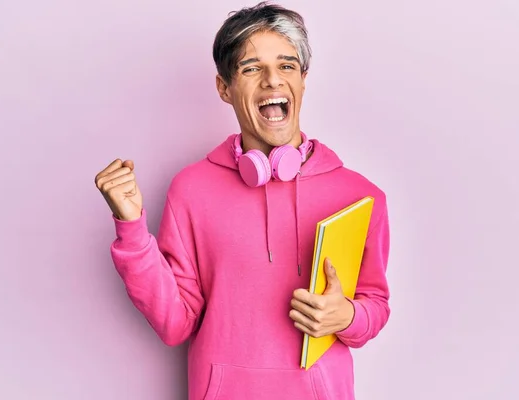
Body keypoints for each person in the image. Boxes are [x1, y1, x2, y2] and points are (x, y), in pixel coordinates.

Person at [94, 2, 390, 399]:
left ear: (303, 80)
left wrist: (348, 315)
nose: (272, 81)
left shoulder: (358, 194)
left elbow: (375, 306)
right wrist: (131, 228)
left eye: (286, 66)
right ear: (224, 87)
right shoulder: (191, 189)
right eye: (252, 68)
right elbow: (174, 324)